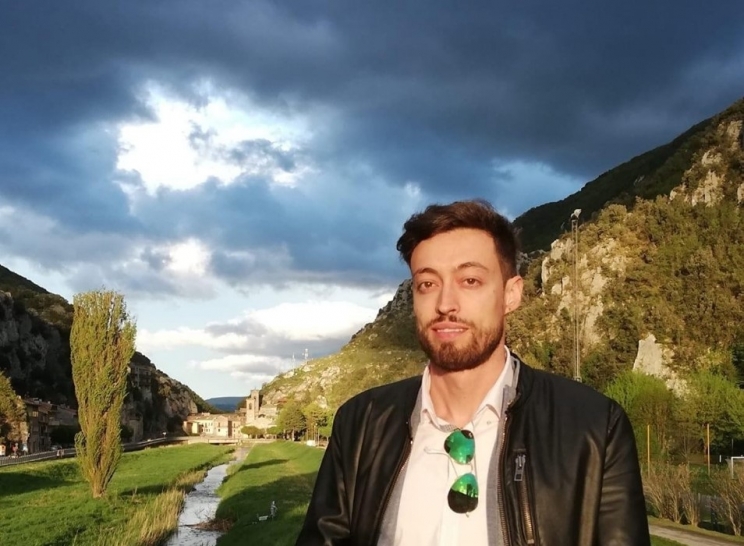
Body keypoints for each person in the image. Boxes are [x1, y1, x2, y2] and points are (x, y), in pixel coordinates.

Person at [296, 199, 650, 545]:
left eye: (470, 280)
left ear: (511, 295)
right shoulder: (360, 425)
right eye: (427, 284)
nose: (445, 304)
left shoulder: (594, 428)